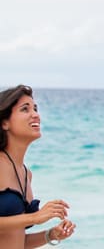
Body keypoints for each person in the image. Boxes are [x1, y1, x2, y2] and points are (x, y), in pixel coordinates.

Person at [0, 85, 75, 249]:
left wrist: (51, 235)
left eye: (35, 108)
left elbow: (16, 240)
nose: (35, 115)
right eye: (25, 109)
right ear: (4, 123)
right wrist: (35, 217)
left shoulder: (26, 174)